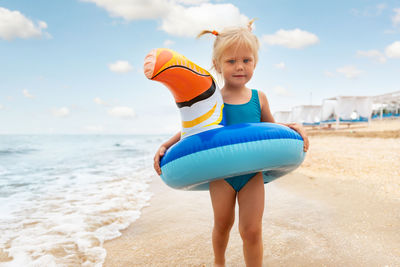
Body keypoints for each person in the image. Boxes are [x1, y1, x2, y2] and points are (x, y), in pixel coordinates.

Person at [153, 20, 309, 267]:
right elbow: (194, 131)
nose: (240, 67)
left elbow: (271, 132)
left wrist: (293, 128)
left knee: (252, 230)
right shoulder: (213, 100)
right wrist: (167, 145)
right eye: (231, 61)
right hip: (222, 175)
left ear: (255, 63)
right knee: (223, 225)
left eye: (246, 60)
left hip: (252, 174)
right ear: (217, 65)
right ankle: (219, 263)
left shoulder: (260, 98)